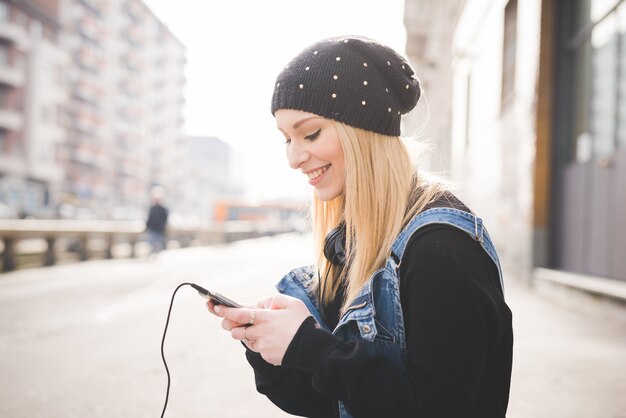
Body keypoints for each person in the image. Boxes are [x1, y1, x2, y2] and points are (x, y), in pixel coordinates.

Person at [207, 35, 513, 418]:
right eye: (287, 139)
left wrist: (312, 348)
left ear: (362, 131)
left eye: (310, 133)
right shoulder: (351, 242)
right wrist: (273, 348)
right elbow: (332, 403)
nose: (294, 157)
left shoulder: (442, 251)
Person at [145, 186, 168, 255]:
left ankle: (156, 254)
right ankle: (152, 254)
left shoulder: (163, 209)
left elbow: (164, 220)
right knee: (151, 243)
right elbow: (149, 219)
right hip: (152, 229)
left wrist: (162, 228)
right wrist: (147, 227)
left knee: (158, 245)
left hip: (159, 230)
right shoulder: (152, 208)